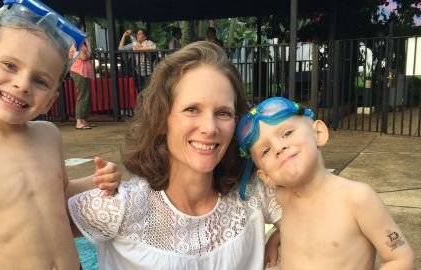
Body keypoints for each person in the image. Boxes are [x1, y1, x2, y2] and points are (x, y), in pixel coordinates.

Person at [68, 41, 282, 270]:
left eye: (223, 113)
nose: (210, 128)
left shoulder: (252, 194)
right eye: (192, 109)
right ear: (161, 120)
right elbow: (33, 225)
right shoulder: (123, 207)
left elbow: (320, 212)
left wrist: (285, 234)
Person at [0, 0, 120, 269]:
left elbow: (55, 196)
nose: (22, 84)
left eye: (40, 81)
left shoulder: (48, 135)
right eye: (10, 65)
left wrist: (98, 182)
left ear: (50, 100)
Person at [235, 97, 415, 269]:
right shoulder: (283, 199)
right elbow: (310, 234)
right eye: (265, 150)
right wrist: (277, 237)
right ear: (266, 176)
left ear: (318, 133)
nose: (278, 147)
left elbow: (401, 258)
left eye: (287, 133)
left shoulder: (357, 199)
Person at [70, 22, 95, 130]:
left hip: (84, 71)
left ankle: (83, 119)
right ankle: (79, 121)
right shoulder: (76, 41)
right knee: (82, 96)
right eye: (82, 30)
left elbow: (89, 54)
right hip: (79, 70)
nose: (84, 32)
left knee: (86, 95)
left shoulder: (82, 42)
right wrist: (89, 55)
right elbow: (83, 57)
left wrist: (87, 43)